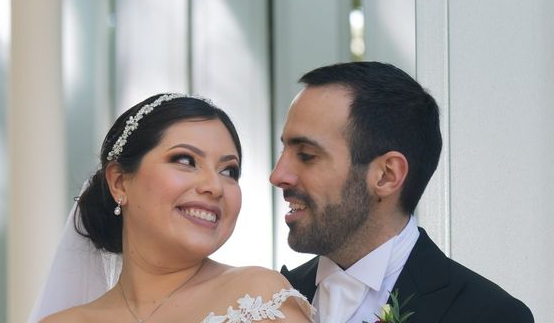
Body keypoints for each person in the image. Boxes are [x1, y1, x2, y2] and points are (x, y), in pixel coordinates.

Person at [270, 62, 534, 323]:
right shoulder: (269, 299)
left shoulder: (490, 315)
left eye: (306, 155)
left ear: (387, 175)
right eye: (285, 151)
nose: (277, 175)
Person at [34, 93, 313, 323]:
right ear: (119, 182)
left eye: (229, 171)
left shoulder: (258, 297)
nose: (214, 187)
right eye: (186, 160)